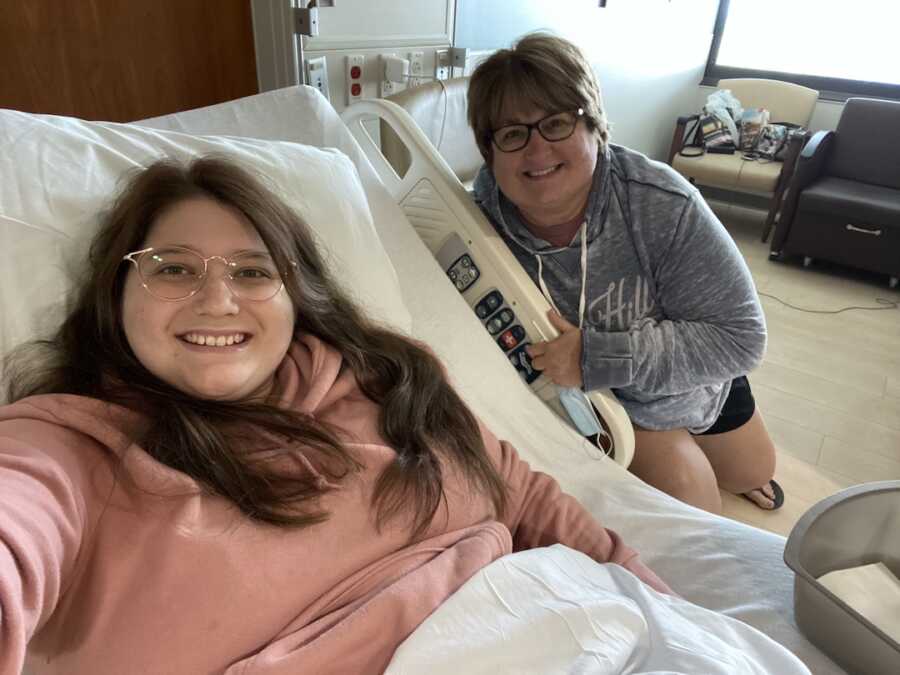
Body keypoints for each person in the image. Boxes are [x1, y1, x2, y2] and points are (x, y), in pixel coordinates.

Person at [0, 156, 670, 675]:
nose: (216, 298)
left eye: (253, 271)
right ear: (115, 292)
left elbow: (521, 492)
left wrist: (660, 610)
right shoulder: (72, 449)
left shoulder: (390, 378)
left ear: (295, 296)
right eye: (172, 269)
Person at [467, 33, 783, 515]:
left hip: (681, 372)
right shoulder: (473, 222)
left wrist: (599, 355)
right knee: (690, 495)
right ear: (490, 152)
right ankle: (674, 449)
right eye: (512, 134)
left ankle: (715, 440)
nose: (535, 150)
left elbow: (740, 338)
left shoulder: (661, 204)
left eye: (555, 124)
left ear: (594, 125)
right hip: (610, 403)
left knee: (752, 471)